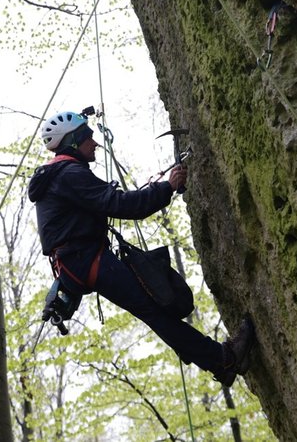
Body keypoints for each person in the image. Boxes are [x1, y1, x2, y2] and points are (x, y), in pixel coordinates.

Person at [27, 110, 255, 386]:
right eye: (88, 136)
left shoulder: (59, 176)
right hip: (86, 259)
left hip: (79, 262)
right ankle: (224, 359)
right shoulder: (70, 175)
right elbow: (123, 205)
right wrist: (167, 187)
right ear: (72, 141)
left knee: (152, 309)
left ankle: (217, 360)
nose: (95, 142)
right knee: (153, 309)